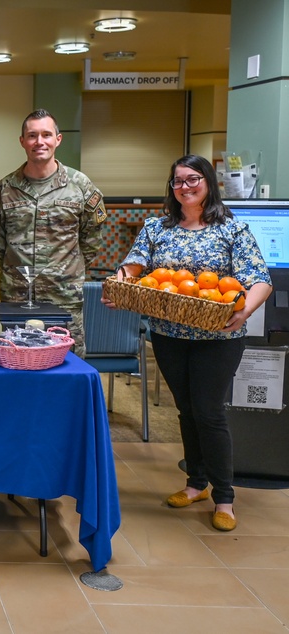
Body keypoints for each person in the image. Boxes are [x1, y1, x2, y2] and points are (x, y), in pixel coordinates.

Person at [107, 155, 271, 532]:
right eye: (178, 181)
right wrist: (121, 282)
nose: (185, 186)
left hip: (219, 337)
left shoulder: (232, 229)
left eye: (193, 179)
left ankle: (224, 497)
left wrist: (244, 312)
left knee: (209, 412)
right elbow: (133, 267)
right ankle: (196, 483)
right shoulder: (157, 228)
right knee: (186, 411)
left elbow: (259, 279)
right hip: (169, 336)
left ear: (208, 183)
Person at [0, 108, 106, 356]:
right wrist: (16, 271)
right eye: (32, 135)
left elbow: (92, 237)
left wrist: (68, 270)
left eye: (46, 135)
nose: (39, 142)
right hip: (16, 299)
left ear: (58, 139)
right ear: (22, 141)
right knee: (15, 359)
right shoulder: (5, 188)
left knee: (69, 365)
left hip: (64, 298)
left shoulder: (80, 185)